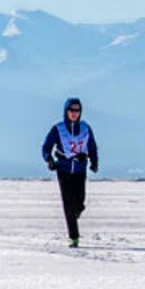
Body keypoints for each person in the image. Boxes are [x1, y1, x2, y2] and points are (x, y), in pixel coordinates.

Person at [42, 98, 99, 248]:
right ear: (66, 111)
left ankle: (75, 214)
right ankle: (74, 237)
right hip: (64, 170)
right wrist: (49, 160)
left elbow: (92, 146)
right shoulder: (58, 129)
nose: (74, 114)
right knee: (68, 204)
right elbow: (46, 147)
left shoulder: (86, 129)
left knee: (79, 203)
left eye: (77, 111)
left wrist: (94, 161)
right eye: (71, 110)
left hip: (80, 170)